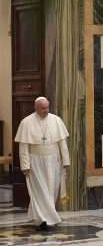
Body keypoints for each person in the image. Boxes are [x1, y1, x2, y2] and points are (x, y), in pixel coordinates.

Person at [14, 97, 70, 231]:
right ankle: (42, 220)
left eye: (47, 107)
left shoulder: (56, 120)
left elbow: (62, 143)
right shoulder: (26, 122)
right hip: (36, 162)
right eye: (43, 108)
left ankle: (50, 218)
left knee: (52, 190)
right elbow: (23, 147)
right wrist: (25, 165)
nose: (46, 110)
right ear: (36, 108)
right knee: (39, 192)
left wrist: (66, 161)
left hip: (54, 161)